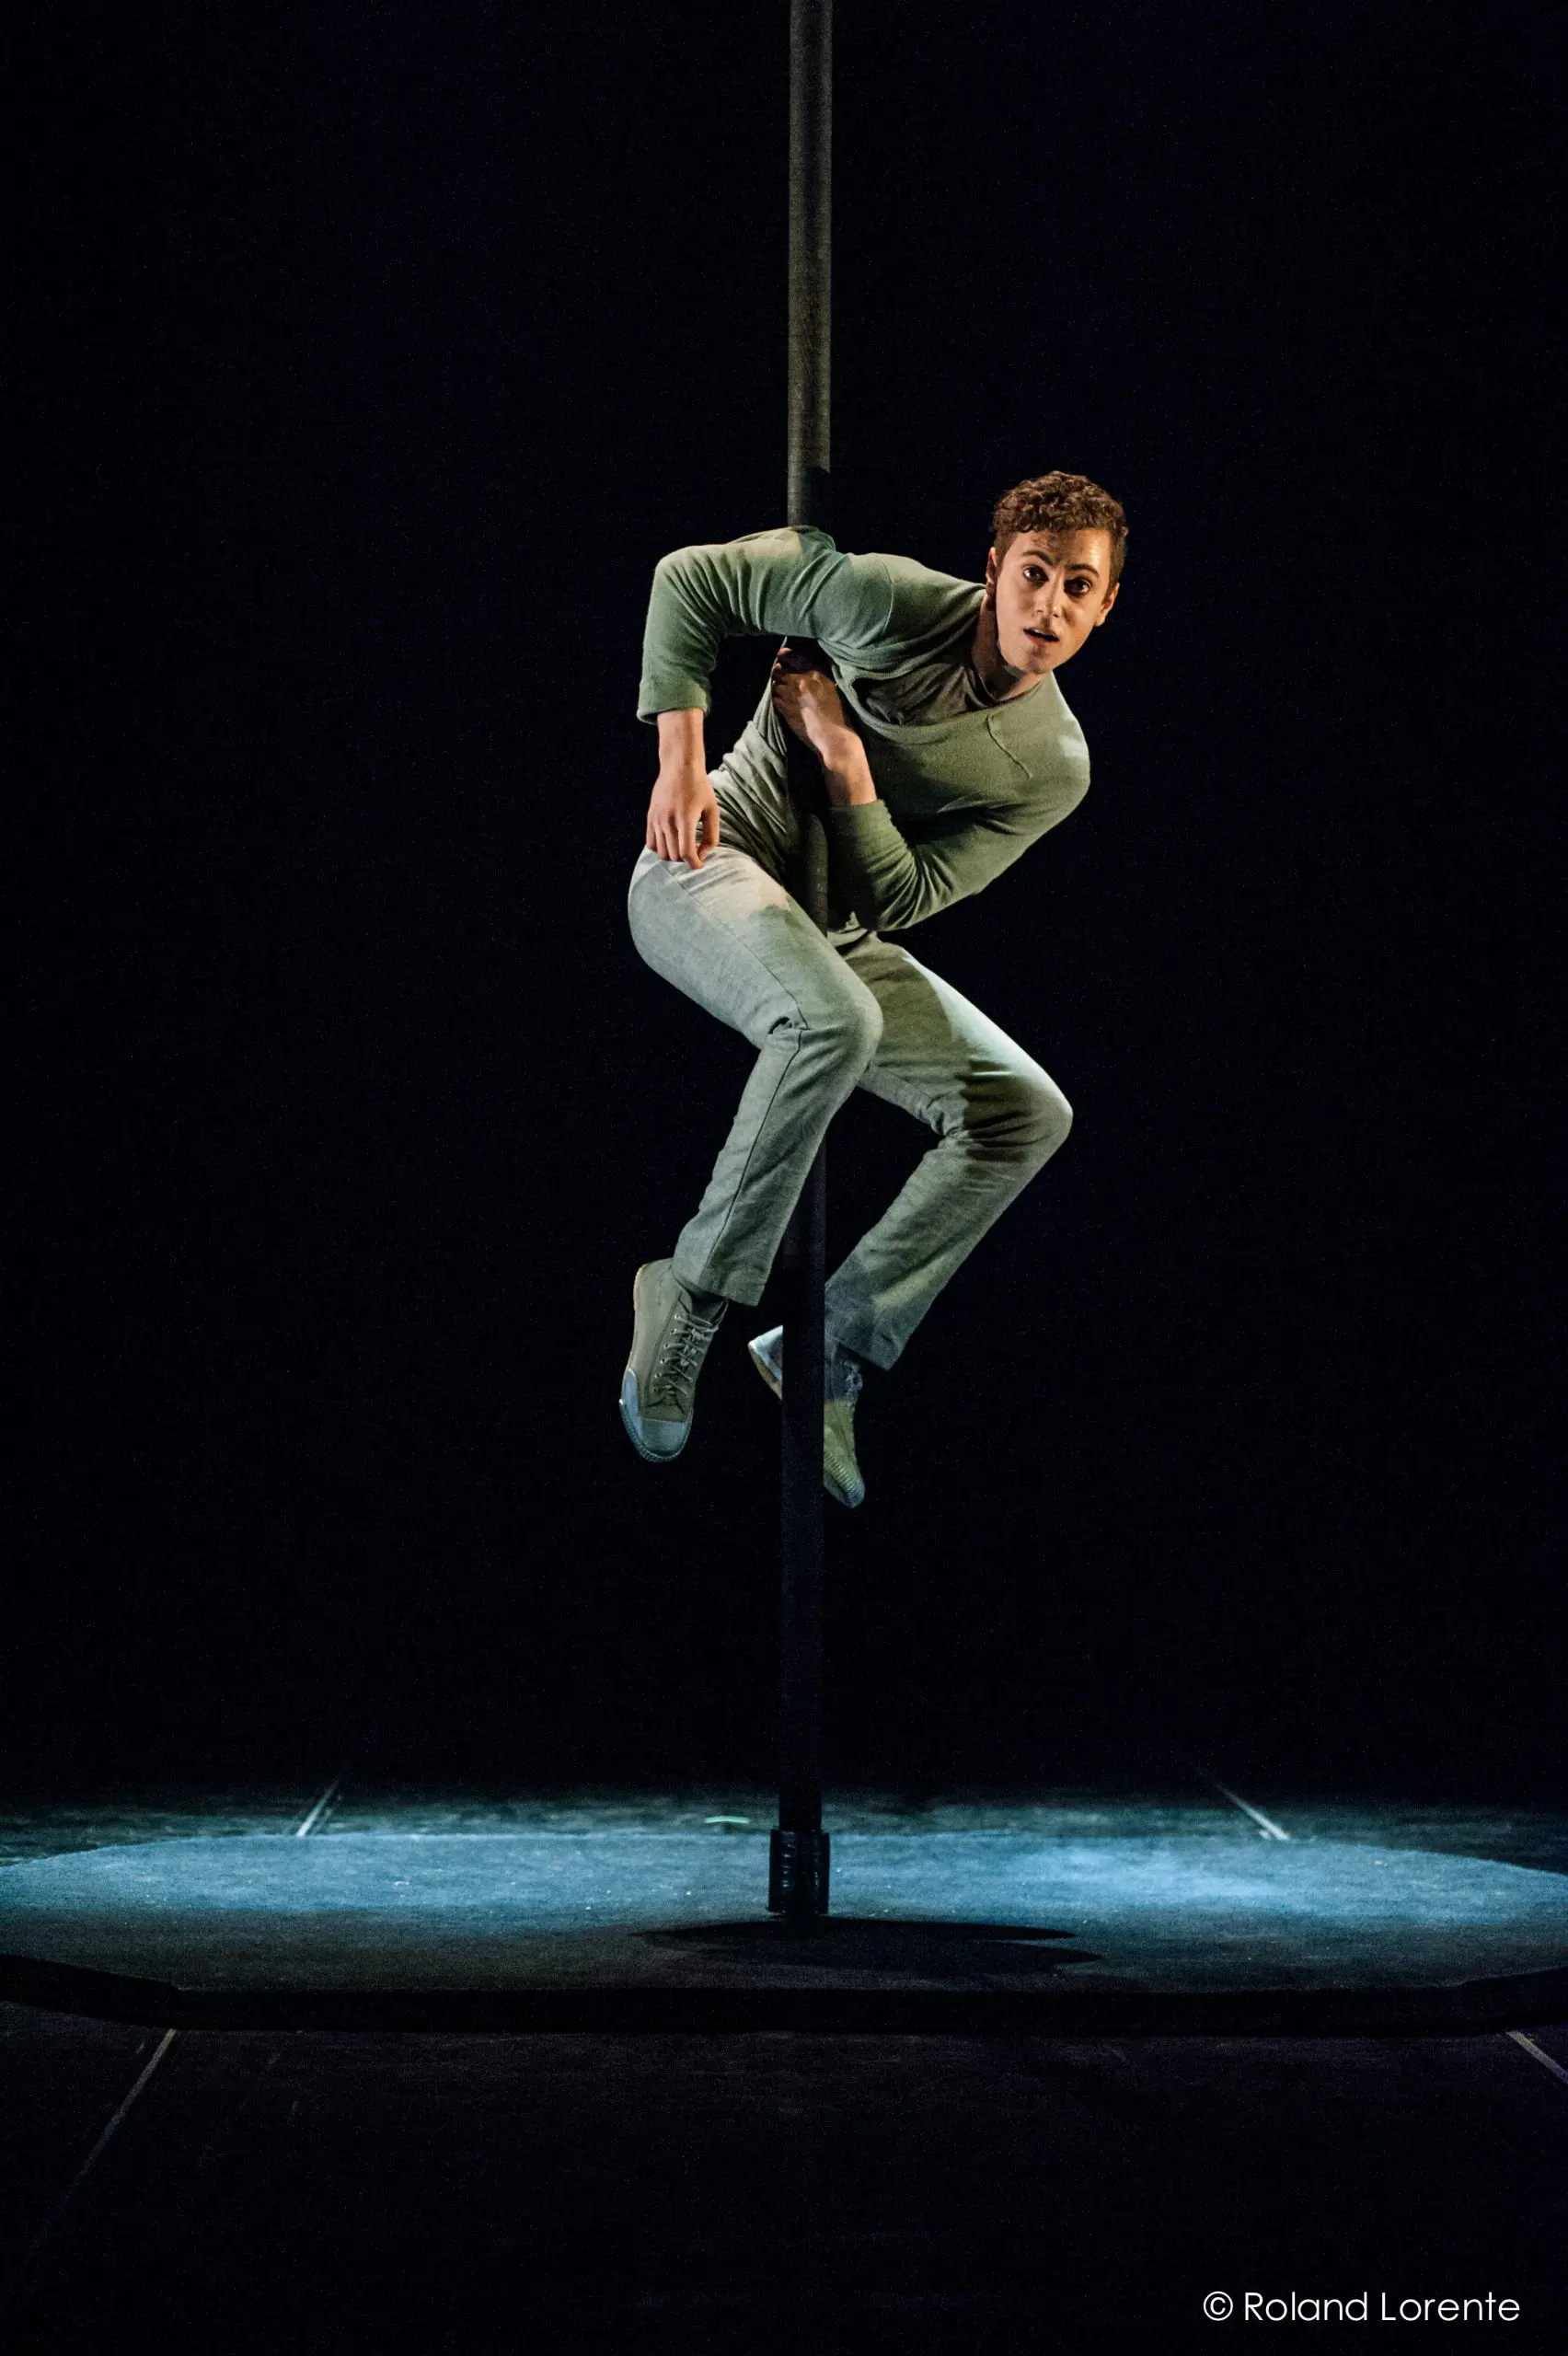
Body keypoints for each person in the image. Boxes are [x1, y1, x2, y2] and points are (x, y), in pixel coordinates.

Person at [619, 469, 1125, 1507]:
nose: (1053, 606)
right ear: (994, 573)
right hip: (707, 859)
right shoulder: (887, 601)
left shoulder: (1054, 766)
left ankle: (830, 1350)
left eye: (1080, 587)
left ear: (1106, 605)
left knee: (1025, 1112)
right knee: (830, 1023)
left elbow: (906, 892)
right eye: (1035, 576)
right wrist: (680, 764)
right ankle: (693, 1291)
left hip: (839, 932)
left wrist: (845, 760)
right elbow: (693, 582)